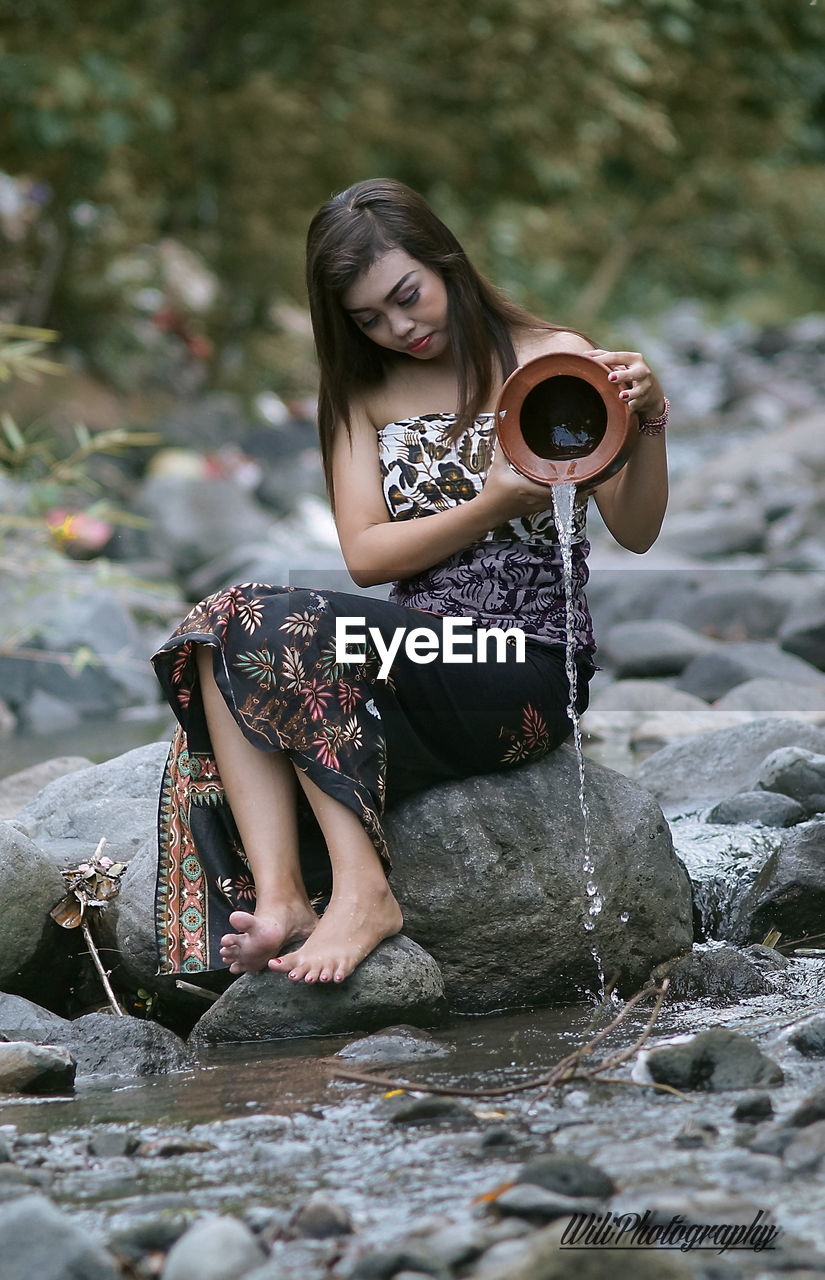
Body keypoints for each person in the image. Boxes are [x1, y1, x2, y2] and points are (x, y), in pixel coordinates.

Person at [151, 178, 668, 990]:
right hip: (410, 663)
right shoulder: (363, 393)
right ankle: (284, 898)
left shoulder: (552, 364)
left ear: (446, 262)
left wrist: (650, 423)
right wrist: (490, 501)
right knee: (224, 634)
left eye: (406, 297)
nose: (399, 329)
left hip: (524, 664)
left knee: (268, 623)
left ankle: (364, 894)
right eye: (368, 318)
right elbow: (368, 556)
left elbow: (636, 529)